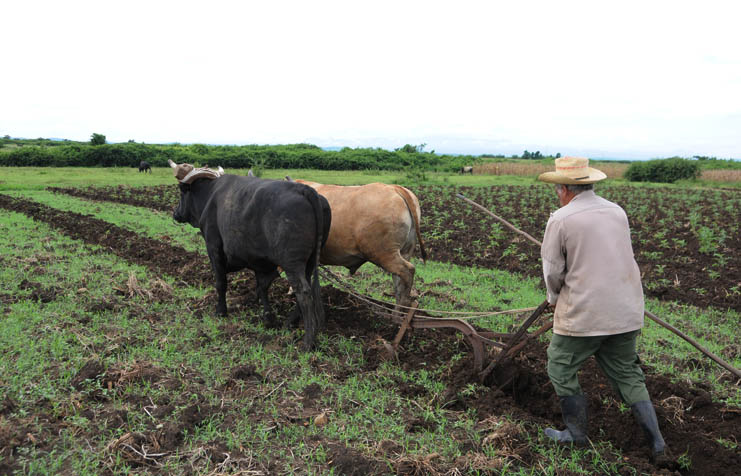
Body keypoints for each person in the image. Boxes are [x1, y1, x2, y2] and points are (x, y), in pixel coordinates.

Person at [537, 157, 667, 464]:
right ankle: (658, 442)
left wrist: (554, 299)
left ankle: (575, 435)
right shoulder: (616, 211)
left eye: (558, 189)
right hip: (626, 308)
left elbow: (553, 271)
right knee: (627, 373)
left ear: (563, 189)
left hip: (585, 312)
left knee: (560, 365)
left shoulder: (561, 219)